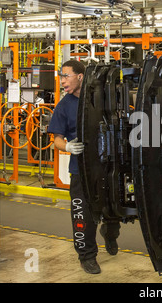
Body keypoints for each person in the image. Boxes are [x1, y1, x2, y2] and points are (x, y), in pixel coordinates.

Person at [48, 60, 120, 274]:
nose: (62, 81)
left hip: (108, 165)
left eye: (66, 76)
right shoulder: (63, 106)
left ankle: (110, 232)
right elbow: (56, 140)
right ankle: (87, 256)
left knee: (113, 207)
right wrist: (68, 146)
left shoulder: (101, 98)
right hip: (82, 171)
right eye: (61, 77)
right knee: (83, 214)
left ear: (80, 76)